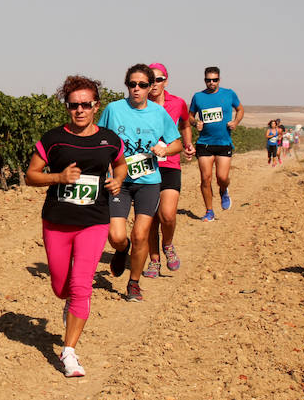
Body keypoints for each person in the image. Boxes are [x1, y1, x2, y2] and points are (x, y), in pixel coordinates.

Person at [26, 75, 127, 376]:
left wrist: (118, 180)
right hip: (57, 221)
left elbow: (120, 164)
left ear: (97, 105)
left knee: (82, 286)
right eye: (74, 105)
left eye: (86, 104)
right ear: (67, 107)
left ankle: (68, 352)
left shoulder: (109, 139)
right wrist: (58, 177)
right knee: (62, 287)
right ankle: (68, 303)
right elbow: (31, 175)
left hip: (94, 221)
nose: (80, 110)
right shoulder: (53, 139)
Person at [98, 64, 182, 302]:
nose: (137, 89)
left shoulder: (158, 113)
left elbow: (175, 142)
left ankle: (133, 283)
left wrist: (164, 148)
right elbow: (100, 138)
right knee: (116, 236)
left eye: (142, 85)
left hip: (149, 182)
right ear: (127, 85)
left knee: (140, 234)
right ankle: (121, 250)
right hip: (120, 182)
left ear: (150, 87)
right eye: (132, 84)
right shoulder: (114, 109)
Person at [144, 63, 194, 278]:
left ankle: (168, 244)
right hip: (145, 166)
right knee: (151, 219)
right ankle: (154, 260)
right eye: (151, 80)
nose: (155, 84)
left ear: (166, 81)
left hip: (170, 165)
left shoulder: (178, 103)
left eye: (159, 79)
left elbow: (185, 124)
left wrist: (188, 143)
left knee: (167, 215)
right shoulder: (139, 105)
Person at [189, 67, 244, 222]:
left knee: (222, 177)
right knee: (205, 179)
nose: (211, 83)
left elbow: (240, 109)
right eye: (208, 80)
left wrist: (236, 122)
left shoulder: (228, 94)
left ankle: (224, 189)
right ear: (204, 80)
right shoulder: (198, 97)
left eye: (214, 80)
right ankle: (209, 211)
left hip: (223, 143)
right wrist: (195, 123)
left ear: (219, 80)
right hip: (204, 143)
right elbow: (190, 116)